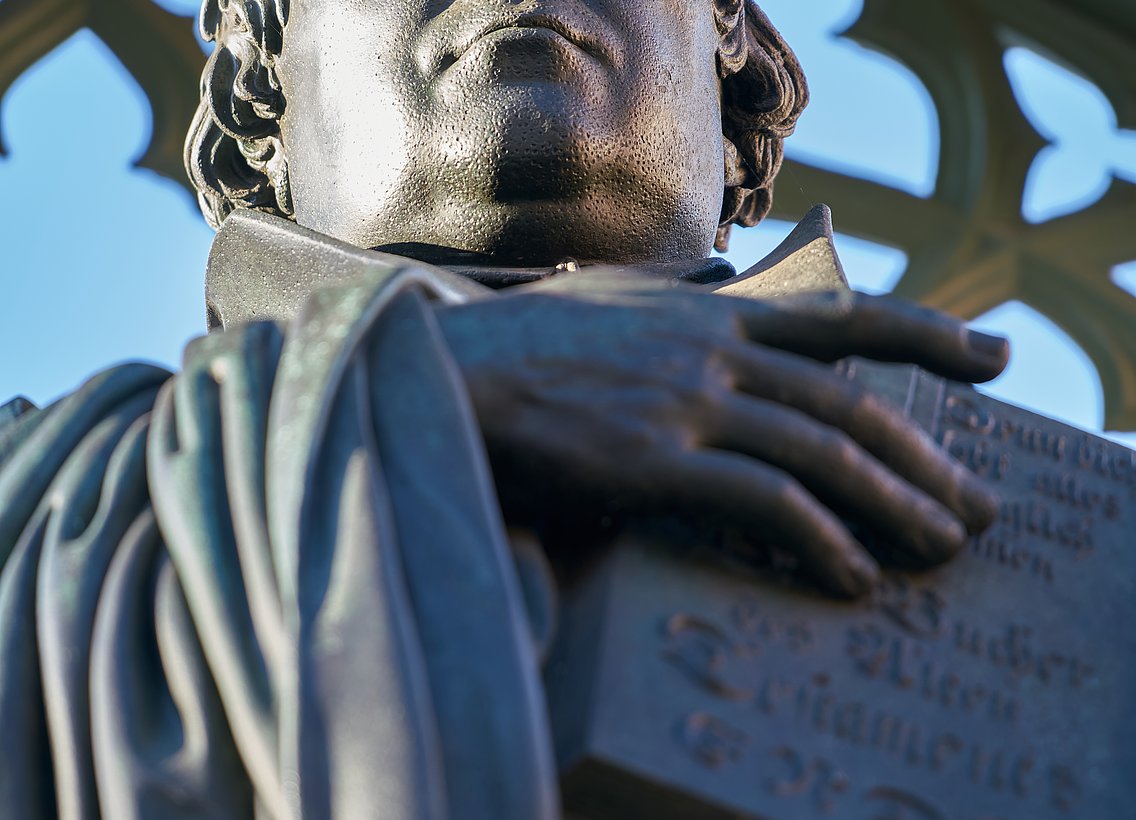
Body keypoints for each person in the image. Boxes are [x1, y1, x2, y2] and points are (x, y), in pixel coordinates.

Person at [0, 0, 1008, 817]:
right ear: (260, 71)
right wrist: (419, 403)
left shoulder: (1045, 537)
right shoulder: (34, 507)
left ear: (724, 29)